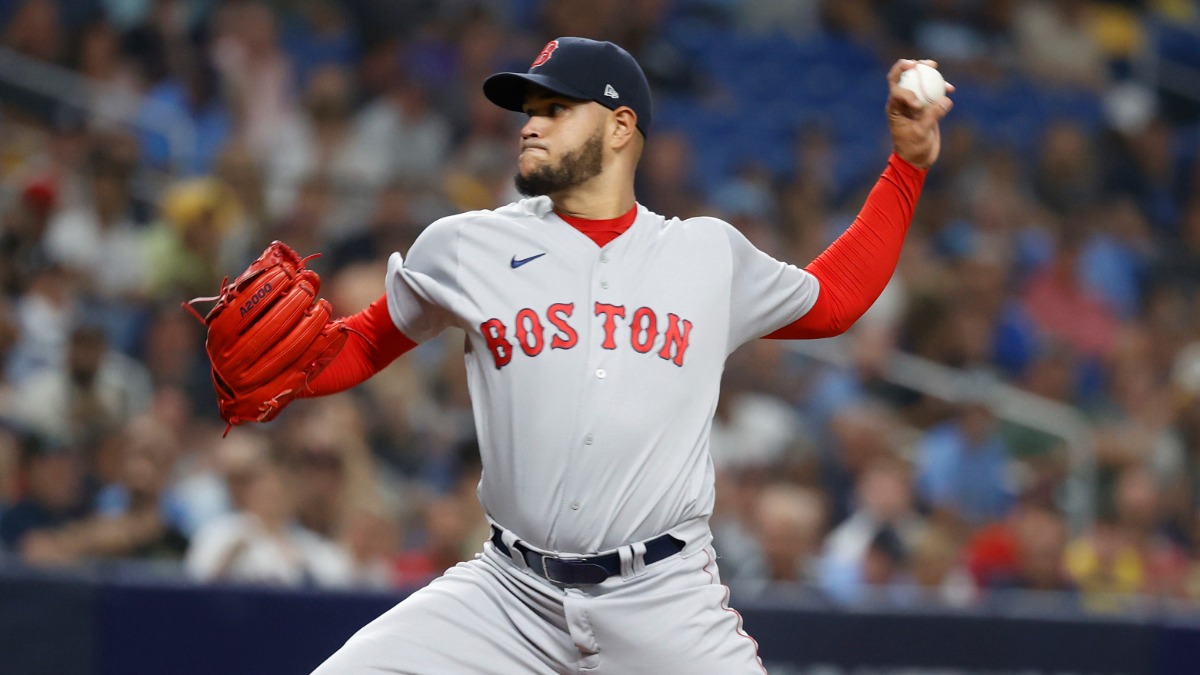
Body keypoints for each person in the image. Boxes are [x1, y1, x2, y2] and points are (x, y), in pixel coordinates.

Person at [265, 36, 952, 673]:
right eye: (529, 110)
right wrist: (280, 371)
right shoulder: (465, 245)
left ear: (622, 126)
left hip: (663, 597)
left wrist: (906, 170)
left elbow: (834, 299)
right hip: (508, 594)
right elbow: (361, 344)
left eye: (556, 108)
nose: (530, 124)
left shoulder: (704, 253)